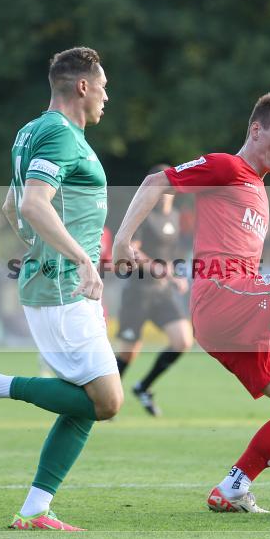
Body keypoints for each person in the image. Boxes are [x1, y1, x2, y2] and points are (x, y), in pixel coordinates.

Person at [113, 93, 270, 514]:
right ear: (256, 129)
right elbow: (156, 182)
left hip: (234, 318)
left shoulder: (257, 188)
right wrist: (122, 239)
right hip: (225, 297)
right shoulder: (228, 166)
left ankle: (233, 488)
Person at [0, 47, 121, 531]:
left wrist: (42, 249)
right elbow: (33, 204)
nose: (107, 96)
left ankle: (34, 510)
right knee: (106, 401)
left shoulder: (31, 131)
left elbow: (10, 206)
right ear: (82, 86)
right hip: (64, 287)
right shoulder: (63, 135)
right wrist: (80, 258)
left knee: (84, 401)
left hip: (59, 284)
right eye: (103, 86)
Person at [114, 165, 193, 416]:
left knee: (182, 340)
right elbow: (132, 250)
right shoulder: (144, 214)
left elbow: (169, 256)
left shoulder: (174, 216)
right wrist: (160, 269)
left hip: (161, 293)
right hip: (138, 291)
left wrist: (174, 274)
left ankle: (143, 387)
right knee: (129, 353)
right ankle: (102, 399)